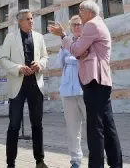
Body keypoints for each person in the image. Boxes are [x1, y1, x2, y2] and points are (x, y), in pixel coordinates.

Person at [50, 0, 123, 168]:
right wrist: (81, 51)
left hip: (94, 81)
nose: (80, 17)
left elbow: (76, 50)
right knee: (107, 124)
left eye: (80, 12)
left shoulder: (91, 24)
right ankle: (116, 163)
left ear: (87, 11)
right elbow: (81, 51)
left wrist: (63, 36)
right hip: (101, 81)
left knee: (94, 127)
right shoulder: (98, 24)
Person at [0, 9, 49, 168]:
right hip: (17, 85)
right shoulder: (10, 37)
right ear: (20, 21)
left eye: (32, 18)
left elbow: (45, 56)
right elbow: (3, 59)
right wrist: (18, 68)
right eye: (28, 19)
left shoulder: (39, 37)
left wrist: (40, 64)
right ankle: (10, 163)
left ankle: (39, 160)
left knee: (37, 124)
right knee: (14, 125)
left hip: (35, 85)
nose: (31, 21)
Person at [56, 15, 86, 168]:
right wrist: (63, 48)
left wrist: (71, 59)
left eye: (79, 24)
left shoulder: (87, 40)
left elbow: (81, 59)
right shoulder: (66, 43)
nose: (76, 27)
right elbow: (59, 63)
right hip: (68, 91)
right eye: (74, 25)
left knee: (93, 126)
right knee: (73, 129)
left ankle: (98, 156)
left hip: (84, 90)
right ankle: (75, 160)